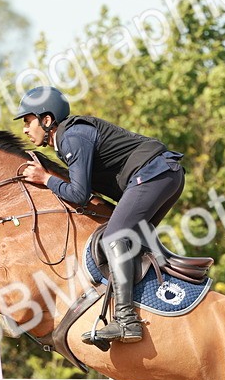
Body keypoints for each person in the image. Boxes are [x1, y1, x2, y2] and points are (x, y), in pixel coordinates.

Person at [16, 86, 185, 344]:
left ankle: (127, 321)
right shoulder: (68, 139)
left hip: (154, 173)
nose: (25, 130)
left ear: (47, 120)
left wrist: (46, 178)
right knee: (133, 242)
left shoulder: (70, 137)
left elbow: (79, 194)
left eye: (28, 121)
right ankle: (159, 301)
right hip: (165, 174)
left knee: (113, 237)